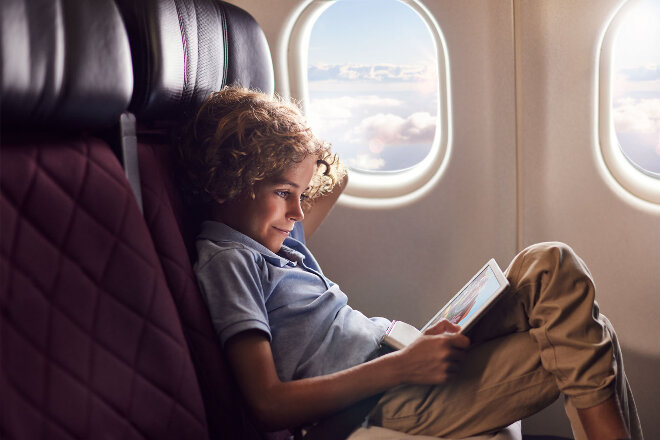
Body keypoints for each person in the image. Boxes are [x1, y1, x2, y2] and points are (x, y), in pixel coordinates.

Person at [178, 86, 643, 440]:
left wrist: (293, 151)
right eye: (284, 193)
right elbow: (267, 404)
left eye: (301, 195)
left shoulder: (276, 240)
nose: (298, 212)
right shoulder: (230, 260)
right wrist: (404, 367)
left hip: (398, 355)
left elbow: (336, 177)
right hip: (377, 401)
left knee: (550, 263)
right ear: (228, 183)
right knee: (578, 339)